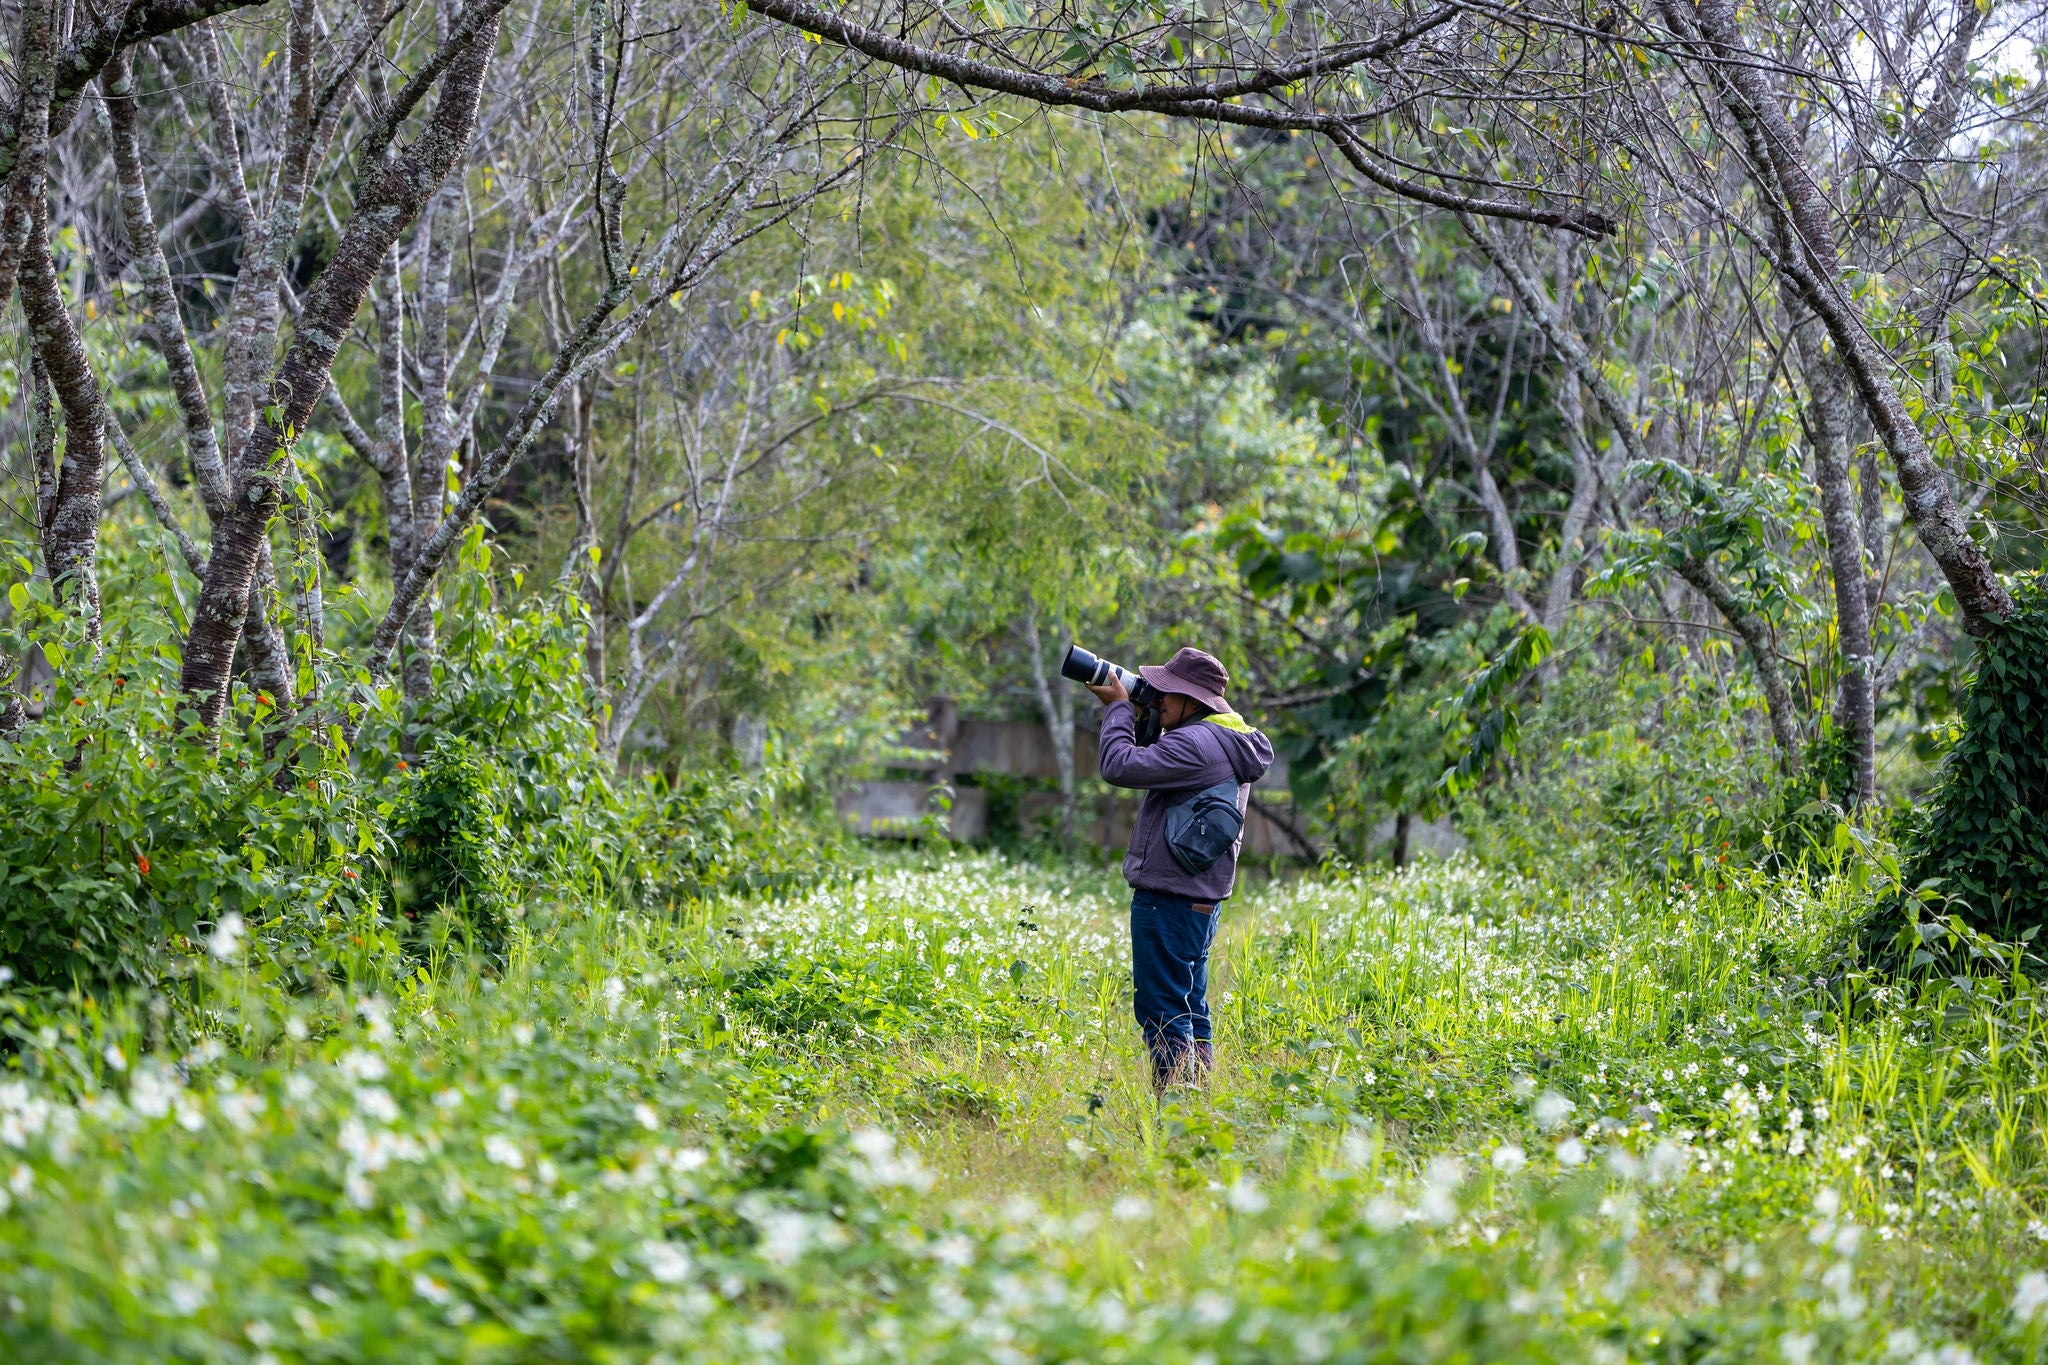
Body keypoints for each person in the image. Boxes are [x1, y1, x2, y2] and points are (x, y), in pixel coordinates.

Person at [1087, 646, 1273, 1091]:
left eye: (1170, 691)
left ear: (1196, 700)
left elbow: (1119, 765)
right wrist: (1146, 711)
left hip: (1167, 898)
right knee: (1189, 1004)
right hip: (1198, 896)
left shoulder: (1195, 743)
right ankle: (1196, 1101)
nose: (1160, 696)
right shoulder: (1225, 737)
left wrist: (1118, 711)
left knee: (1162, 1007)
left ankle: (1175, 1106)